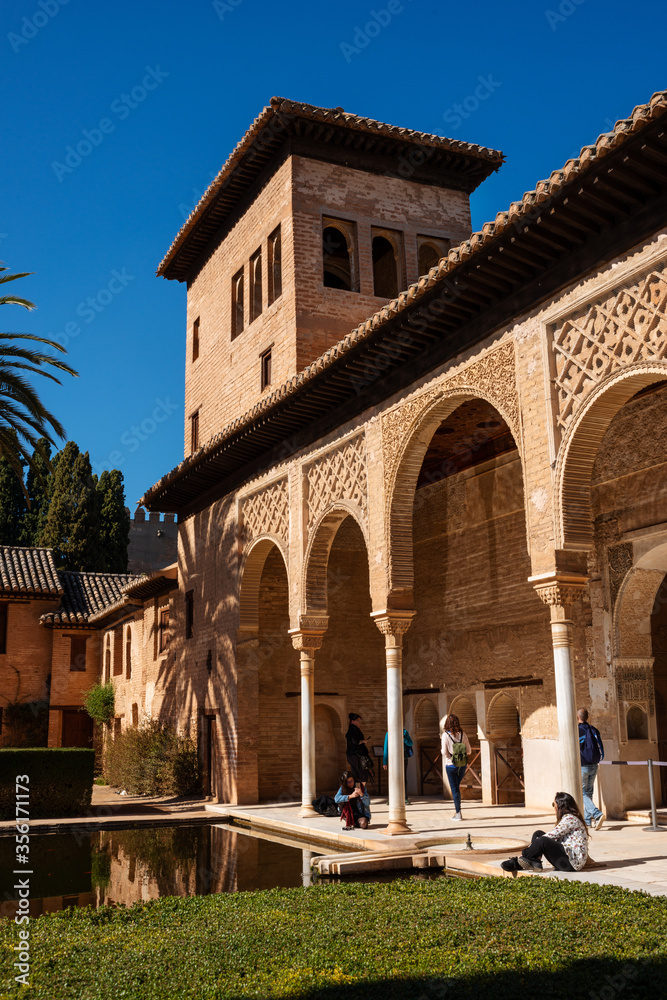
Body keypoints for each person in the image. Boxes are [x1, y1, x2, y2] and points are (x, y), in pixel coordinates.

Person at [501, 791, 589, 872]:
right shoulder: (569, 818)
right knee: (538, 834)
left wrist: (525, 852)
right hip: (567, 860)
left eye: (554, 804)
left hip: (571, 864)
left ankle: (519, 861)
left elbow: (550, 836)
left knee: (542, 840)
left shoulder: (570, 819)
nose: (554, 807)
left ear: (560, 806)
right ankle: (535, 862)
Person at [578, 707, 605, 830]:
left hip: (583, 765)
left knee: (582, 792)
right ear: (587, 717)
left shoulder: (577, 731)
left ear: (578, 717)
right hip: (594, 764)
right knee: (589, 792)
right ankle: (587, 821)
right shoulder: (593, 729)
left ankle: (597, 814)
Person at [441, 713, 471, 822]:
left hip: (451, 765)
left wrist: (450, 756)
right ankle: (457, 811)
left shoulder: (445, 735)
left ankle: (458, 813)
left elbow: (444, 752)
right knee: (456, 788)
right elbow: (469, 751)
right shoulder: (463, 734)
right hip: (462, 765)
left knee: (455, 789)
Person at [382, 728, 413, 805]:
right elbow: (386, 748)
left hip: (403, 758)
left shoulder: (405, 732)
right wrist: (385, 762)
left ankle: (405, 798)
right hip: (393, 759)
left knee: (403, 778)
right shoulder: (388, 733)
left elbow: (410, 743)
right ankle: (392, 798)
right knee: (393, 778)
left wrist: (404, 739)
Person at [345, 712, 372, 781]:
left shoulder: (351, 730)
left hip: (351, 755)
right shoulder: (354, 730)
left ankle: (357, 790)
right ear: (353, 721)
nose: (359, 722)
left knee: (356, 775)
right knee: (363, 774)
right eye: (358, 721)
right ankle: (360, 791)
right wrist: (363, 741)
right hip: (356, 755)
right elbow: (355, 741)